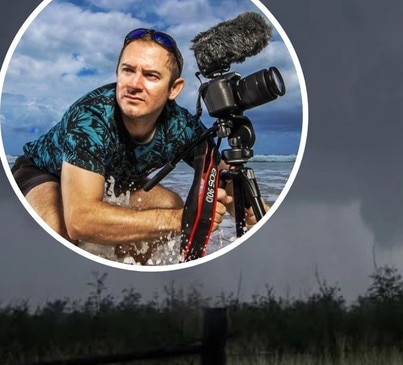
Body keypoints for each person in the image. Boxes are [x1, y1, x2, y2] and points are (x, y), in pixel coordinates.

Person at [11, 28, 258, 261]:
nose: (134, 85)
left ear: (174, 88)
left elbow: (222, 173)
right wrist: (184, 219)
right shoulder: (91, 117)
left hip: (116, 182)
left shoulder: (179, 125)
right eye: (128, 70)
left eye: (151, 75)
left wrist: (248, 209)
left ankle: (133, 269)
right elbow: (80, 221)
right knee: (61, 228)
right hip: (46, 172)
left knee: (168, 203)